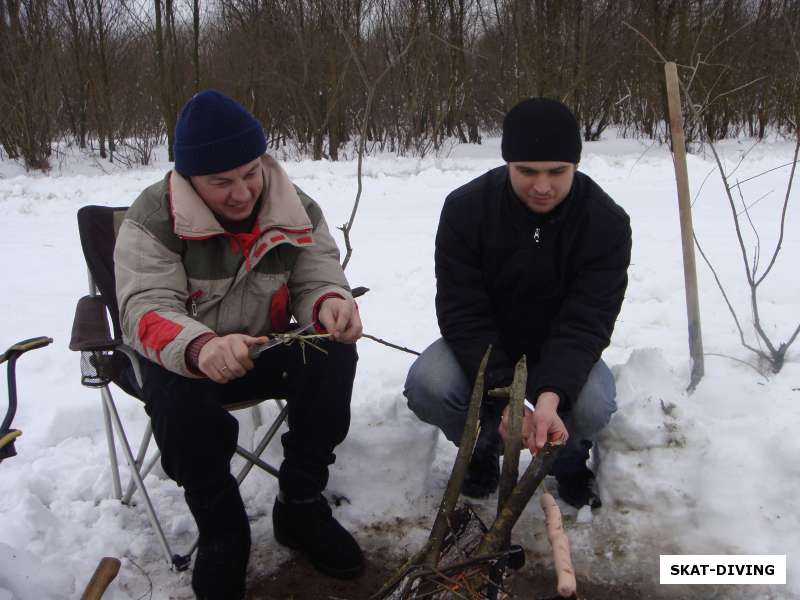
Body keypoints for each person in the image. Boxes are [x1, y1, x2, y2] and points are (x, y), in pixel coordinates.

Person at [114, 90, 364, 599]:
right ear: (188, 177)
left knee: (332, 351)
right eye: (220, 182)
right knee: (179, 396)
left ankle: (300, 503)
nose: (241, 192)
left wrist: (329, 302)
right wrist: (202, 346)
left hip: (262, 347)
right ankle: (222, 527)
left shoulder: (294, 207)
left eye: (250, 173)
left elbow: (316, 274)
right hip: (186, 356)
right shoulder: (153, 218)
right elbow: (145, 307)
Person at [404, 98, 631, 508]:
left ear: (576, 165)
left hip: (561, 346)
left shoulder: (606, 222)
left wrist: (550, 396)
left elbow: (588, 319)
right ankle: (482, 445)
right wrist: (506, 392)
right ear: (507, 162)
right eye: (527, 171)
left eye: (556, 172)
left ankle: (566, 459)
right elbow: (461, 310)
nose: (542, 186)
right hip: (485, 345)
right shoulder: (466, 210)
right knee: (428, 384)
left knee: (595, 403)